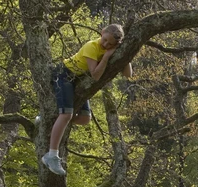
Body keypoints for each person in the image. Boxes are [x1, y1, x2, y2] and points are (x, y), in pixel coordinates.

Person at [41, 24, 133, 176]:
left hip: (78, 80)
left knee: (84, 118)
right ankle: (51, 155)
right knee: (66, 115)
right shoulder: (92, 46)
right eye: (104, 40)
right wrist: (107, 56)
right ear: (102, 32)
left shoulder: (111, 48)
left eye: (110, 44)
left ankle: (48, 119)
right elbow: (96, 75)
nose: (105, 45)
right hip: (63, 74)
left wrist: (125, 53)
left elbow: (128, 74)